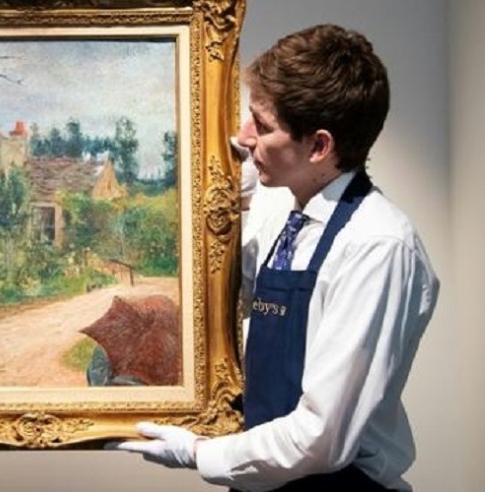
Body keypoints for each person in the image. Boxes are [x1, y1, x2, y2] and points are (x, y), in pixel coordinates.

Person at [109, 24, 440, 491]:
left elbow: (321, 438)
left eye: (262, 126)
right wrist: (227, 190)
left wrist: (199, 452)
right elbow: (227, 295)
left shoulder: (377, 246)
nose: (244, 137)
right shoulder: (285, 218)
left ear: (319, 145)